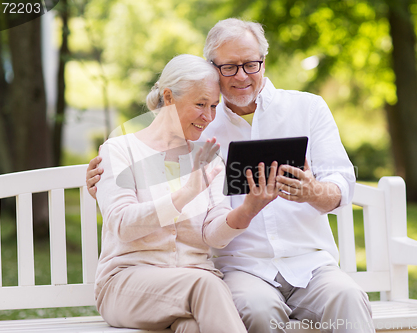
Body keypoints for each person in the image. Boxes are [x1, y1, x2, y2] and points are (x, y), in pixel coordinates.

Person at [88, 19, 375, 333]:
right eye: (229, 67)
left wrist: (312, 191)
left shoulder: (307, 109)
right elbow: (138, 178)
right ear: (214, 69)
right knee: (256, 310)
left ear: (264, 62)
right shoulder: (197, 131)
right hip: (240, 269)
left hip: (311, 264)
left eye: (251, 64)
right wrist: (106, 183)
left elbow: (342, 184)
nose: (242, 76)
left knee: (349, 298)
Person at [93, 54, 280, 333]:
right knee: (206, 284)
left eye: (214, 106)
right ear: (168, 97)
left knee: (192, 328)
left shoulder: (208, 156)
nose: (208, 116)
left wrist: (248, 210)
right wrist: (188, 190)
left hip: (192, 291)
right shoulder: (120, 150)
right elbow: (122, 225)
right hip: (127, 284)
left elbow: (211, 234)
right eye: (200, 104)